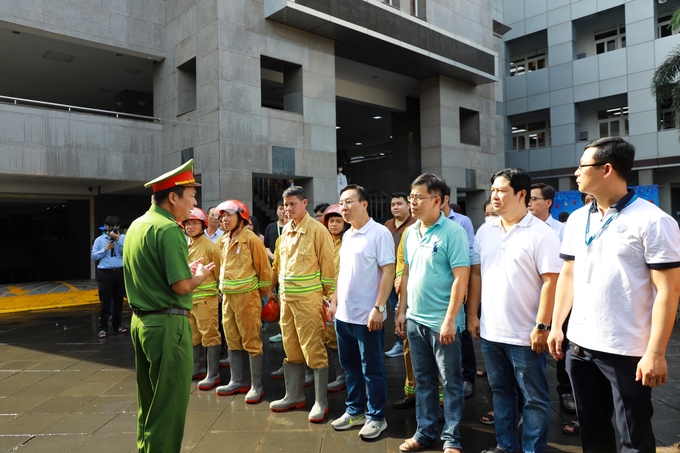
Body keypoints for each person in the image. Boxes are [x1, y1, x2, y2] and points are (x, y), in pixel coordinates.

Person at [547, 137, 680, 453]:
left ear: (606, 169)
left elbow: (669, 290)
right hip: (579, 346)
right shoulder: (579, 218)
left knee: (633, 437)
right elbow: (568, 275)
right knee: (593, 433)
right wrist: (556, 326)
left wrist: (656, 353)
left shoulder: (653, 221)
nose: (577, 173)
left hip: (626, 350)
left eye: (582, 166)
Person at [123, 159, 216, 453]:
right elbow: (181, 286)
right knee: (170, 405)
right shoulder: (169, 229)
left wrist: (184, 269)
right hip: (167, 325)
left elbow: (154, 272)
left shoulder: (138, 225)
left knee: (149, 401)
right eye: (191, 195)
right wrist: (198, 276)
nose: (194, 202)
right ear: (173, 197)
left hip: (142, 323)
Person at [467, 168, 562, 453]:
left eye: (501, 190)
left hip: (525, 334)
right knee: (501, 394)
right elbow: (476, 275)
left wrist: (542, 326)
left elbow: (551, 282)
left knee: (533, 398)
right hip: (492, 331)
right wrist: (473, 314)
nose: (494, 196)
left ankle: (533, 449)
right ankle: (505, 446)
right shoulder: (486, 230)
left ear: (521, 194)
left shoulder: (542, 234)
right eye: (493, 190)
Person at [395, 173, 470, 453]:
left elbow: (461, 279)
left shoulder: (453, 232)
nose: (412, 202)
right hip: (415, 320)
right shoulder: (410, 232)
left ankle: (451, 438)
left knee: (450, 382)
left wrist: (450, 320)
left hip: (443, 323)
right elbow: (408, 273)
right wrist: (401, 311)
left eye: (418, 197)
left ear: (437, 201)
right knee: (424, 381)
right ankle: (424, 432)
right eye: (410, 196)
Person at [327, 185, 395, 440]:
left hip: (367, 317)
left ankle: (376, 417)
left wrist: (378, 308)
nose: (343, 208)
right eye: (340, 203)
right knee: (350, 367)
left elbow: (388, 272)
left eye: (349, 202)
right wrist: (334, 302)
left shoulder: (379, 233)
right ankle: (354, 410)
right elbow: (342, 273)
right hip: (343, 316)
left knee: (372, 368)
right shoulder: (347, 235)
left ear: (364, 204)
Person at [267, 186, 335, 423]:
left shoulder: (317, 230)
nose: (288, 209)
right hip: (287, 300)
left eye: (293, 204)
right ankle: (294, 395)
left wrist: (329, 298)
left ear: (305, 203)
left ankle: (320, 401)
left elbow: (328, 266)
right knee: (291, 348)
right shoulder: (285, 230)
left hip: (308, 301)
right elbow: (280, 264)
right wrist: (273, 290)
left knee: (314, 349)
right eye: (285, 205)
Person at [214, 200, 272, 404]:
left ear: (242, 217)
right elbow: (220, 267)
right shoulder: (222, 240)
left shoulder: (252, 240)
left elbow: (265, 273)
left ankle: (256, 385)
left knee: (251, 341)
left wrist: (257, 296)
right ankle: (238, 380)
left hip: (248, 299)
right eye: (222, 216)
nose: (225, 219)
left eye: (229, 215)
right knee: (232, 338)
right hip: (228, 298)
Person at [527, 183, 572, 415]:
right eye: (529, 199)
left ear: (548, 203)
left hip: (557, 296)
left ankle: (565, 390)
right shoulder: (522, 227)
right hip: (528, 297)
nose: (530, 203)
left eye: (535, 199)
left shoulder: (560, 229)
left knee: (560, 345)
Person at [441, 186, 476, 399]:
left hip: (457, 285)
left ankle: (468, 377)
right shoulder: (422, 224)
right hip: (436, 290)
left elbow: (470, 254)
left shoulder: (462, 222)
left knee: (462, 334)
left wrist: (465, 286)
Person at [182, 208, 222, 391]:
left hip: (206, 299)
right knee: (193, 336)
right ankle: (197, 368)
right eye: (188, 223)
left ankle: (212, 374)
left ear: (203, 224)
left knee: (210, 335)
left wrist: (220, 291)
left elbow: (219, 271)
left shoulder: (210, 246)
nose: (190, 227)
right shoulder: (186, 244)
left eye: (194, 223)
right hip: (190, 299)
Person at [383, 192, 416, 358]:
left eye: (399, 204)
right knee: (395, 311)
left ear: (409, 205)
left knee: (408, 311)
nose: (395, 207)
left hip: (408, 278)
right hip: (389, 278)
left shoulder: (415, 224)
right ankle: (399, 344)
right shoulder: (387, 225)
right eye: (393, 204)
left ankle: (411, 344)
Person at [322, 204, 349, 392]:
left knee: (346, 339)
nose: (334, 224)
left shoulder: (349, 241)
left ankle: (349, 376)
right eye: (331, 221)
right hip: (325, 297)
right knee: (330, 338)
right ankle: (341, 375)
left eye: (338, 221)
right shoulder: (323, 241)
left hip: (345, 296)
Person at [91, 215, 128, 339]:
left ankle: (117, 325)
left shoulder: (123, 238)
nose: (113, 230)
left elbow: (128, 252)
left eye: (116, 227)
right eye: (111, 227)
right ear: (106, 227)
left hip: (119, 271)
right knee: (105, 301)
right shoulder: (99, 240)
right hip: (105, 273)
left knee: (118, 300)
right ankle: (103, 328)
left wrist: (118, 240)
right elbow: (93, 256)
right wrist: (105, 249)